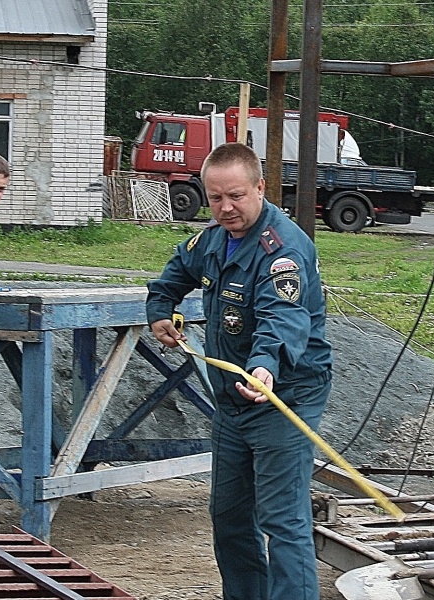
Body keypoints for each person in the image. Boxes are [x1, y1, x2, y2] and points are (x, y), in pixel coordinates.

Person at [146, 142, 333, 600]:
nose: (226, 208)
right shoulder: (210, 241)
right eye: (215, 198)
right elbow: (171, 276)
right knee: (229, 516)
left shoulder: (283, 250)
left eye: (236, 196)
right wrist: (159, 310)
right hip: (231, 404)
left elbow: (283, 320)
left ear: (260, 188)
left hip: (282, 397)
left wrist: (264, 368)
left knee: (282, 518)